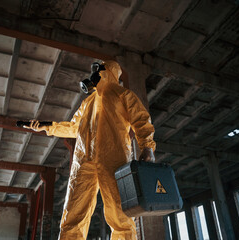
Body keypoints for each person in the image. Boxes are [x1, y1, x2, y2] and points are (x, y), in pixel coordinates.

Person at [24, 60, 156, 239]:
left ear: (108, 72)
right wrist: (46, 126)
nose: (95, 73)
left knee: (120, 214)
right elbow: (73, 127)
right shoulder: (88, 102)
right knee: (74, 213)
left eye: (99, 69)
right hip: (84, 161)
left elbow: (141, 121)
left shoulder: (123, 94)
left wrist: (147, 147)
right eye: (94, 70)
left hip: (114, 160)